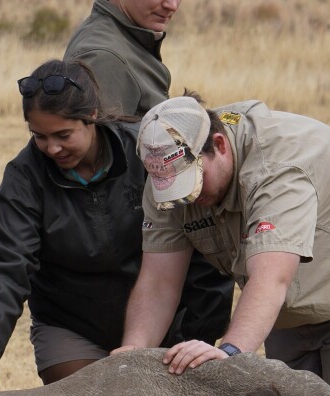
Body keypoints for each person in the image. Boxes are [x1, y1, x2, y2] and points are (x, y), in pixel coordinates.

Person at [116, 94, 330, 396]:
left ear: (220, 145)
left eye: (194, 182)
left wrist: (228, 352)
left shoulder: (275, 167)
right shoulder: (169, 176)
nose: (188, 196)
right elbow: (158, 280)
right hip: (293, 308)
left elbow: (272, 277)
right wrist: (132, 354)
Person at [0, 60, 152, 390]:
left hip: (155, 315)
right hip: (69, 322)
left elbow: (189, 245)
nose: (52, 148)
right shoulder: (24, 176)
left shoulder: (145, 151)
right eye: (39, 136)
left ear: (93, 116)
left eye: (63, 135)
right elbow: (8, 263)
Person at [64, 0, 233, 346]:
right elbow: (105, 182)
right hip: (153, 246)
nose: (171, 5)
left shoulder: (129, 39)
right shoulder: (104, 56)